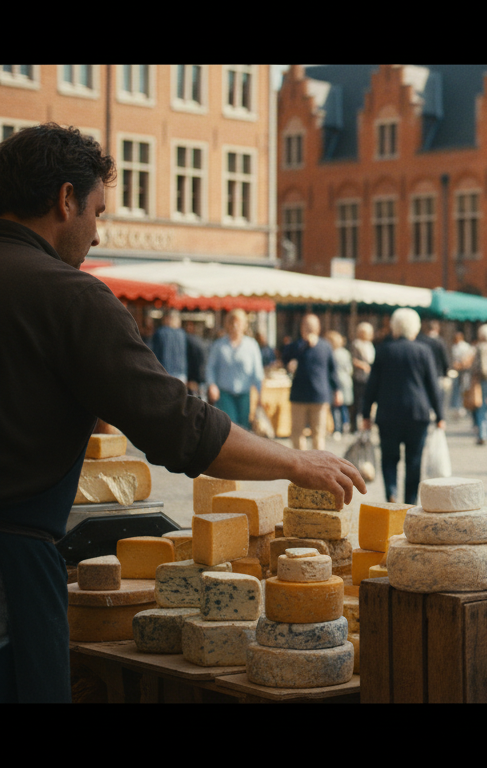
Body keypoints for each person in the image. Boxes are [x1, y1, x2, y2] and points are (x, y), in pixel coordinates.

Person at [0, 124, 364, 702]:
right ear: (64, 200)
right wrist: (295, 462)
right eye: (96, 211)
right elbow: (178, 426)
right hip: (11, 573)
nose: (97, 234)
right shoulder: (69, 295)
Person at [361, 308, 445, 505]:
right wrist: (440, 415)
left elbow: (372, 385)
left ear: (394, 327)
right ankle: (409, 501)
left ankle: (391, 492)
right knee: (414, 461)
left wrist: (366, 414)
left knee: (389, 458)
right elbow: (433, 386)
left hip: (388, 414)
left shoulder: (384, 350)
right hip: (417, 414)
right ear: (415, 328)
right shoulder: (423, 351)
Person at [282, 314, 342, 452]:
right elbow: (285, 358)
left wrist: (337, 390)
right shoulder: (295, 346)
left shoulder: (325, 346)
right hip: (299, 396)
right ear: (302, 328)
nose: (309, 329)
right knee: (297, 434)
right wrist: (302, 345)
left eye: (312, 326)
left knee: (319, 434)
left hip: (319, 396)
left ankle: (317, 468)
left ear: (318, 328)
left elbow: (332, 371)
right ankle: (300, 466)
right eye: (306, 326)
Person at [205, 309, 265, 429]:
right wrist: (211, 385)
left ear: (245, 325)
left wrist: (260, 395)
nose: (235, 326)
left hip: (244, 394)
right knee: (229, 427)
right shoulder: (219, 345)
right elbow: (210, 367)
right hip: (225, 394)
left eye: (238, 323)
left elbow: (258, 373)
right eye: (232, 323)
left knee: (244, 429)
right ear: (227, 325)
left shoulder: (251, 345)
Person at [327, 330, 355, 436]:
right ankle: (346, 424)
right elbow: (349, 369)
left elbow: (332, 371)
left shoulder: (333, 354)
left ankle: (337, 428)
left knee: (336, 407)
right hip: (346, 380)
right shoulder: (345, 352)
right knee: (344, 406)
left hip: (337, 381)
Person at [150, 310, 188, 383]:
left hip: (165, 372)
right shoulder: (182, 334)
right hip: (181, 373)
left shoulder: (161, 332)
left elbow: (154, 353)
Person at [350, 322, 376, 427]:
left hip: (369, 377)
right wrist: (363, 366)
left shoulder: (370, 345)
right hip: (359, 377)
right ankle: (354, 424)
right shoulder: (356, 344)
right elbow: (352, 360)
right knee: (357, 402)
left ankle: (366, 423)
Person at [448, 331, 474, 417]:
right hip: (458, 371)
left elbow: (468, 358)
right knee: (457, 388)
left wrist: (461, 364)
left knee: (464, 388)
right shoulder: (454, 346)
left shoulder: (465, 346)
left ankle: (463, 407)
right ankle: (457, 407)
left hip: (464, 371)